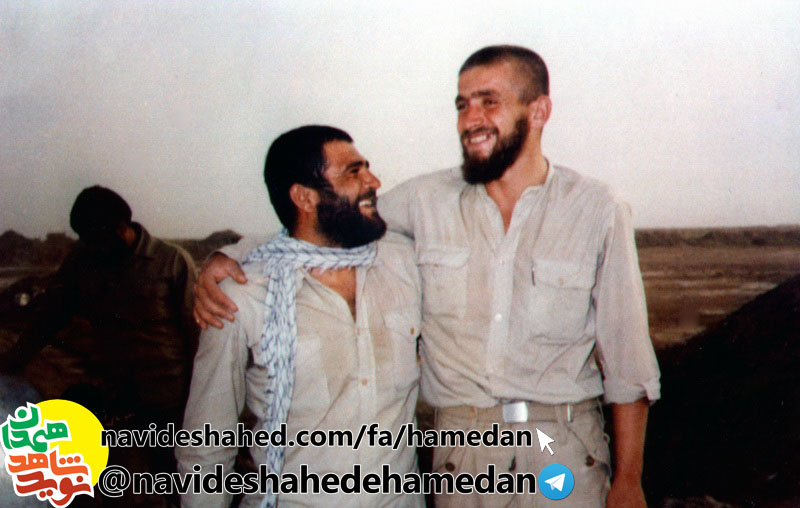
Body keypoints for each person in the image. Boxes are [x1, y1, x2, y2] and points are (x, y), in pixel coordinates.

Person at [194, 46, 660, 507]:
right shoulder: (425, 201)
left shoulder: (597, 209)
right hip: (464, 456)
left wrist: (628, 480)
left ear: (539, 111)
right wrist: (229, 255)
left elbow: (628, 364)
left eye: (488, 102)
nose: (470, 120)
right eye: (462, 105)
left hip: (563, 449)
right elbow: (324, 226)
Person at [176, 126, 423, 507]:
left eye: (367, 168)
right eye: (353, 172)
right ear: (304, 197)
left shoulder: (402, 263)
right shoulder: (243, 297)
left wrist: (232, 251)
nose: (374, 181)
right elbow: (206, 446)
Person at [0, 185, 199, 507]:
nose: (89, 246)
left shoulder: (171, 262)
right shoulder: (83, 262)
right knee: (121, 490)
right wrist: (13, 359)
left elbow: (198, 337)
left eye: (94, 238)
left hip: (173, 404)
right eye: (84, 239)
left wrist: (200, 404)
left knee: (180, 485)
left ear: (121, 229)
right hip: (119, 402)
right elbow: (49, 316)